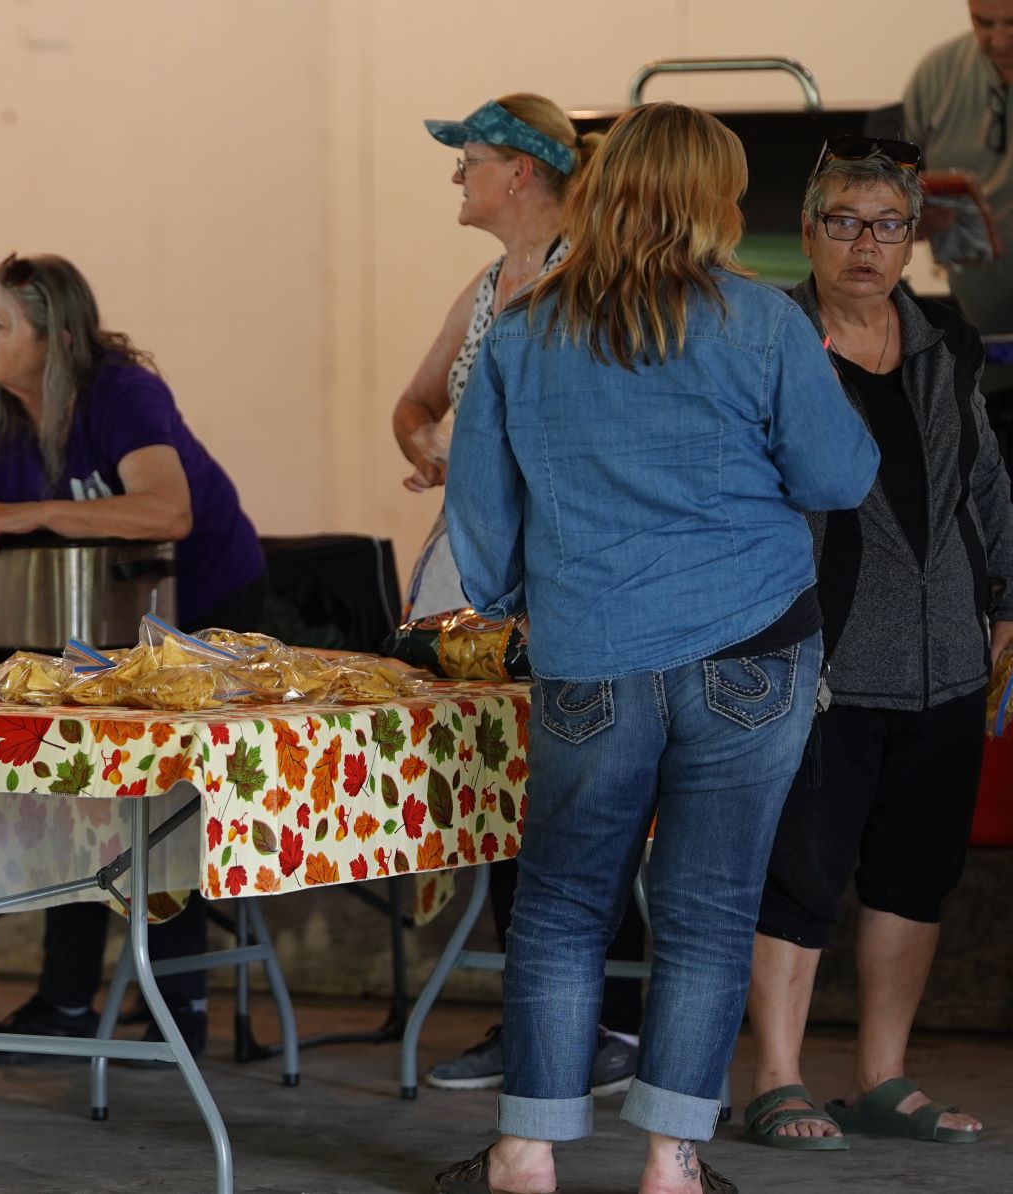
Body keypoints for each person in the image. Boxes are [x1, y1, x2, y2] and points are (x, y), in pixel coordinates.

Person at [437, 102, 880, 1194]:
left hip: (589, 656)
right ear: (712, 200)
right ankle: (670, 1163)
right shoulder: (761, 321)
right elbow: (837, 478)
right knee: (707, 905)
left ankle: (525, 1152)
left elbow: (480, 531)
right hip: (750, 651)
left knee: (559, 901)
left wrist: (526, 590)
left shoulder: (525, 330)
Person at [0, 252, 266, 1058]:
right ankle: (68, 999)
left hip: (201, 603)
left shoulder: (122, 393)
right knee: (75, 785)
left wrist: (29, 512)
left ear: (57, 337)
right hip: (88, 623)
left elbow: (167, 509)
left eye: (1, 325)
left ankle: (180, 1000)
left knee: (166, 791)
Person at [743, 138, 1013, 1151]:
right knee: (798, 871)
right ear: (807, 232)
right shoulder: (768, 337)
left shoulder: (942, 337)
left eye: (885, 224)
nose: (863, 243)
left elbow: (983, 482)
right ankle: (775, 1077)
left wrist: (1006, 597)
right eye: (841, 221)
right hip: (816, 655)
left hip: (943, 654)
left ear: (911, 239)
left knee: (913, 871)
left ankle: (881, 1078)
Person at [396, 93, 641, 1097]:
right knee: (504, 789)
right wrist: (424, 443)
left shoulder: (589, 281)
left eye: (471, 160)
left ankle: (613, 1021)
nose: (458, 177)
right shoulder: (487, 283)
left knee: (582, 790)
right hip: (477, 572)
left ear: (523, 173)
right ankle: (532, 1019)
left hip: (563, 574)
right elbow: (416, 398)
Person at [904, 0, 1013, 336]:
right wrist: (908, 221)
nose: (999, 42)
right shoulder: (938, 76)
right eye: (983, 23)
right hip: (980, 325)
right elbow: (893, 190)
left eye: (1012, 23)